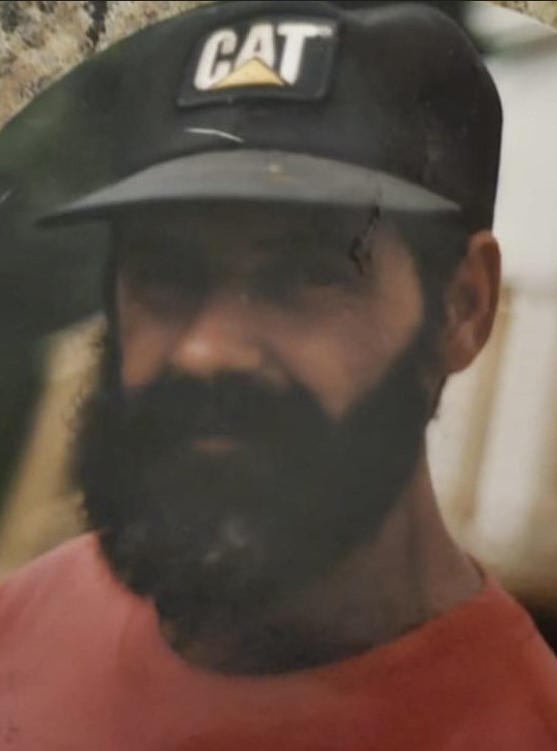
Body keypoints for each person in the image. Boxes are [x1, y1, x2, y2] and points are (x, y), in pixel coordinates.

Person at [1, 1, 557, 749]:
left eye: (307, 274)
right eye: (164, 272)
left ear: (461, 308)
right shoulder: (19, 629)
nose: (206, 350)